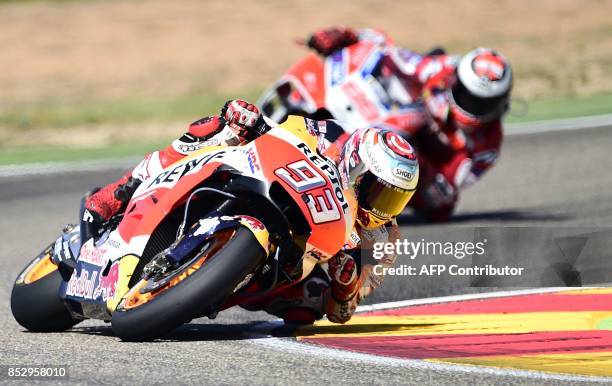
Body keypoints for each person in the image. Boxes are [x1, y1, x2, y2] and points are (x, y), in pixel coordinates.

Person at [83, 99, 418, 324]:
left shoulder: (383, 239)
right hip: (271, 183)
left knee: (309, 303)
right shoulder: (330, 136)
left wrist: (345, 284)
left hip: (294, 257)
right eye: (378, 189)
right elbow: (287, 131)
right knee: (218, 127)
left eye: (394, 199)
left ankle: (211, 285)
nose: (382, 206)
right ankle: (122, 189)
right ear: (356, 164)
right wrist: (254, 120)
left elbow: (341, 312)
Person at [306, 26, 513, 221]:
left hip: (421, 169)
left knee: (440, 210)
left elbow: (444, 189)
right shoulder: (442, 69)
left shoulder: (487, 145)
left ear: (501, 101)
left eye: (483, 103)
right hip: (395, 123)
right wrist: (347, 36)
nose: (472, 107)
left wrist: (414, 161)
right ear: (456, 81)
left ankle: (349, 205)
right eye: (468, 97)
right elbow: (391, 51)